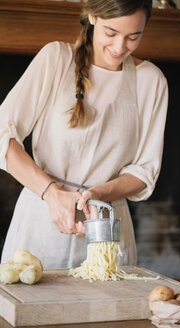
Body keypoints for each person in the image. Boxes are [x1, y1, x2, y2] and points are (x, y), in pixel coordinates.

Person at [0, 0, 168, 269]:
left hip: (106, 227)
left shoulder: (151, 81)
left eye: (133, 37)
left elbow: (145, 171)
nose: (119, 47)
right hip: (39, 225)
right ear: (92, 16)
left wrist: (99, 193)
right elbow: (3, 136)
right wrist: (52, 194)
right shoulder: (55, 59)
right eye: (111, 33)